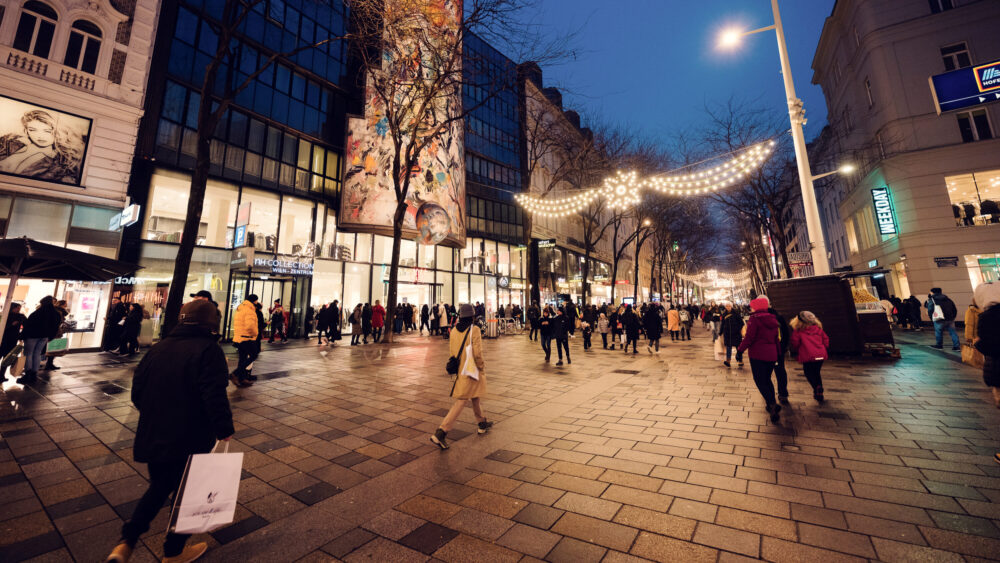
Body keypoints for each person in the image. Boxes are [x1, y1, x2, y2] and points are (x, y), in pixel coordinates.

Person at [104, 300, 234, 563]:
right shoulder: (208, 349)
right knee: (190, 493)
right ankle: (174, 551)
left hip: (155, 431)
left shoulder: (159, 347)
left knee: (160, 487)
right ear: (211, 323)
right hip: (190, 433)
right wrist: (223, 428)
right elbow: (214, 394)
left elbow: (137, 391)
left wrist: (156, 413)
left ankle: (126, 541)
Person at [430, 303, 492, 450]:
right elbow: (477, 353)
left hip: (461, 369)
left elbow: (452, 353)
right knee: (462, 400)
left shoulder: (453, 331)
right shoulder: (474, 330)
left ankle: (482, 423)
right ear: (472, 316)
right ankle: (441, 432)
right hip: (471, 369)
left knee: (475, 395)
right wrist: (481, 367)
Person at [738, 297, 783, 422]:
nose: (751, 309)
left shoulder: (754, 319)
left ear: (757, 307)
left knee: (759, 380)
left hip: (758, 355)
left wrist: (740, 350)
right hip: (771, 354)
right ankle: (771, 404)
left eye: (752, 307)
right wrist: (778, 353)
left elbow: (749, 338)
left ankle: (772, 404)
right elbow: (776, 339)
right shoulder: (772, 318)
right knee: (767, 379)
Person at [790, 310, 830, 403]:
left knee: (808, 373)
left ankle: (816, 387)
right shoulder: (818, 329)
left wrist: (797, 349)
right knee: (816, 373)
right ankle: (819, 391)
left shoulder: (799, 331)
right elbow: (826, 341)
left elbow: (795, 343)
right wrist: (822, 348)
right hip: (820, 355)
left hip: (808, 356)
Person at [230, 294, 259, 388]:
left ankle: (241, 379)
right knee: (254, 355)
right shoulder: (249, 310)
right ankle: (235, 373)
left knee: (242, 358)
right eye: (256, 301)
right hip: (247, 337)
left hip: (239, 337)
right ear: (254, 301)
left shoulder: (241, 308)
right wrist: (255, 333)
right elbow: (250, 326)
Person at [767, 301, 791, 404]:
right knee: (780, 371)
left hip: (765, 351)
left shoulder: (758, 318)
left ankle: (769, 395)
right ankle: (783, 394)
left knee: (765, 374)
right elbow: (786, 333)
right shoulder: (779, 317)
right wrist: (784, 346)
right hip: (778, 350)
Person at [0, 303, 26, 382]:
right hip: (3, 338)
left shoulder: (21, 316)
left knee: (7, 357)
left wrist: (21, 336)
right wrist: (11, 324)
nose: (18, 309)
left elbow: (27, 325)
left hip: (12, 339)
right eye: (17, 308)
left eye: (19, 308)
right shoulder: (5, 315)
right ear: (12, 308)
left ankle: (1, 375)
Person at [719, 302, 745, 368]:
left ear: (731, 306)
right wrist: (720, 332)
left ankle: (740, 360)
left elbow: (741, 323)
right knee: (728, 348)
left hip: (736, 334)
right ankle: (728, 361)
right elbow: (722, 324)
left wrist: (737, 329)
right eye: (727, 306)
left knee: (738, 347)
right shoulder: (724, 314)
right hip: (727, 334)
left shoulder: (736, 313)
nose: (728, 307)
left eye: (729, 306)